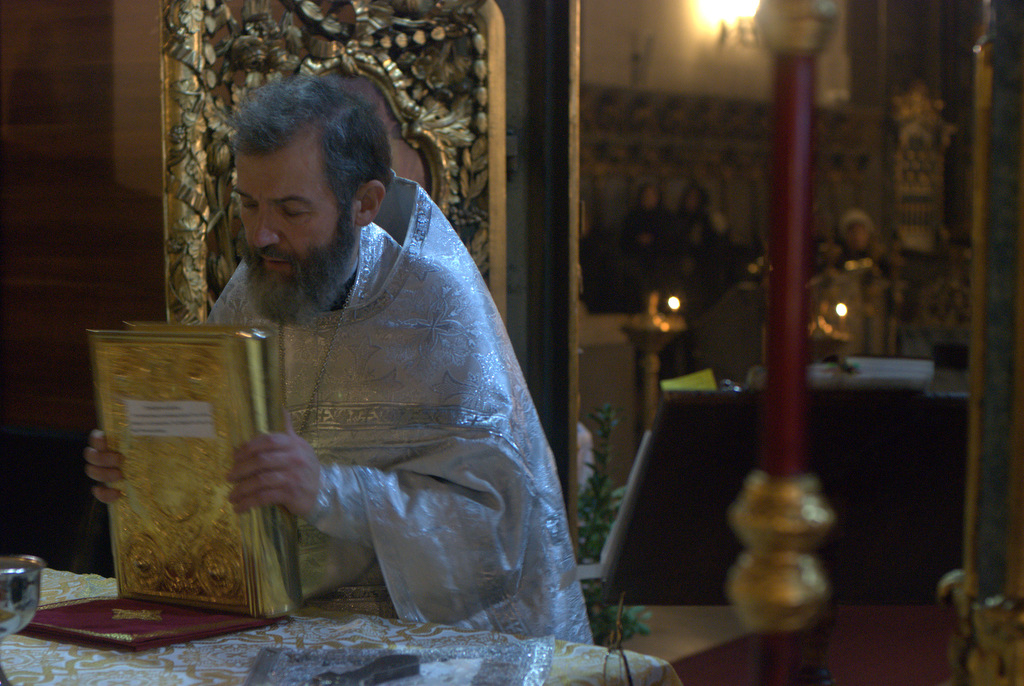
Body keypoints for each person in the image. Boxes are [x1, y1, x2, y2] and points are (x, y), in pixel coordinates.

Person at [84, 74, 592, 644]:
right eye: (248, 205)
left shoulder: (436, 306)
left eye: (291, 210)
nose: (262, 235)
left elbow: (495, 535)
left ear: (364, 204)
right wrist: (146, 469)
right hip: (268, 625)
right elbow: (217, 465)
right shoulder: (253, 291)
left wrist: (328, 491)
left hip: (409, 644)